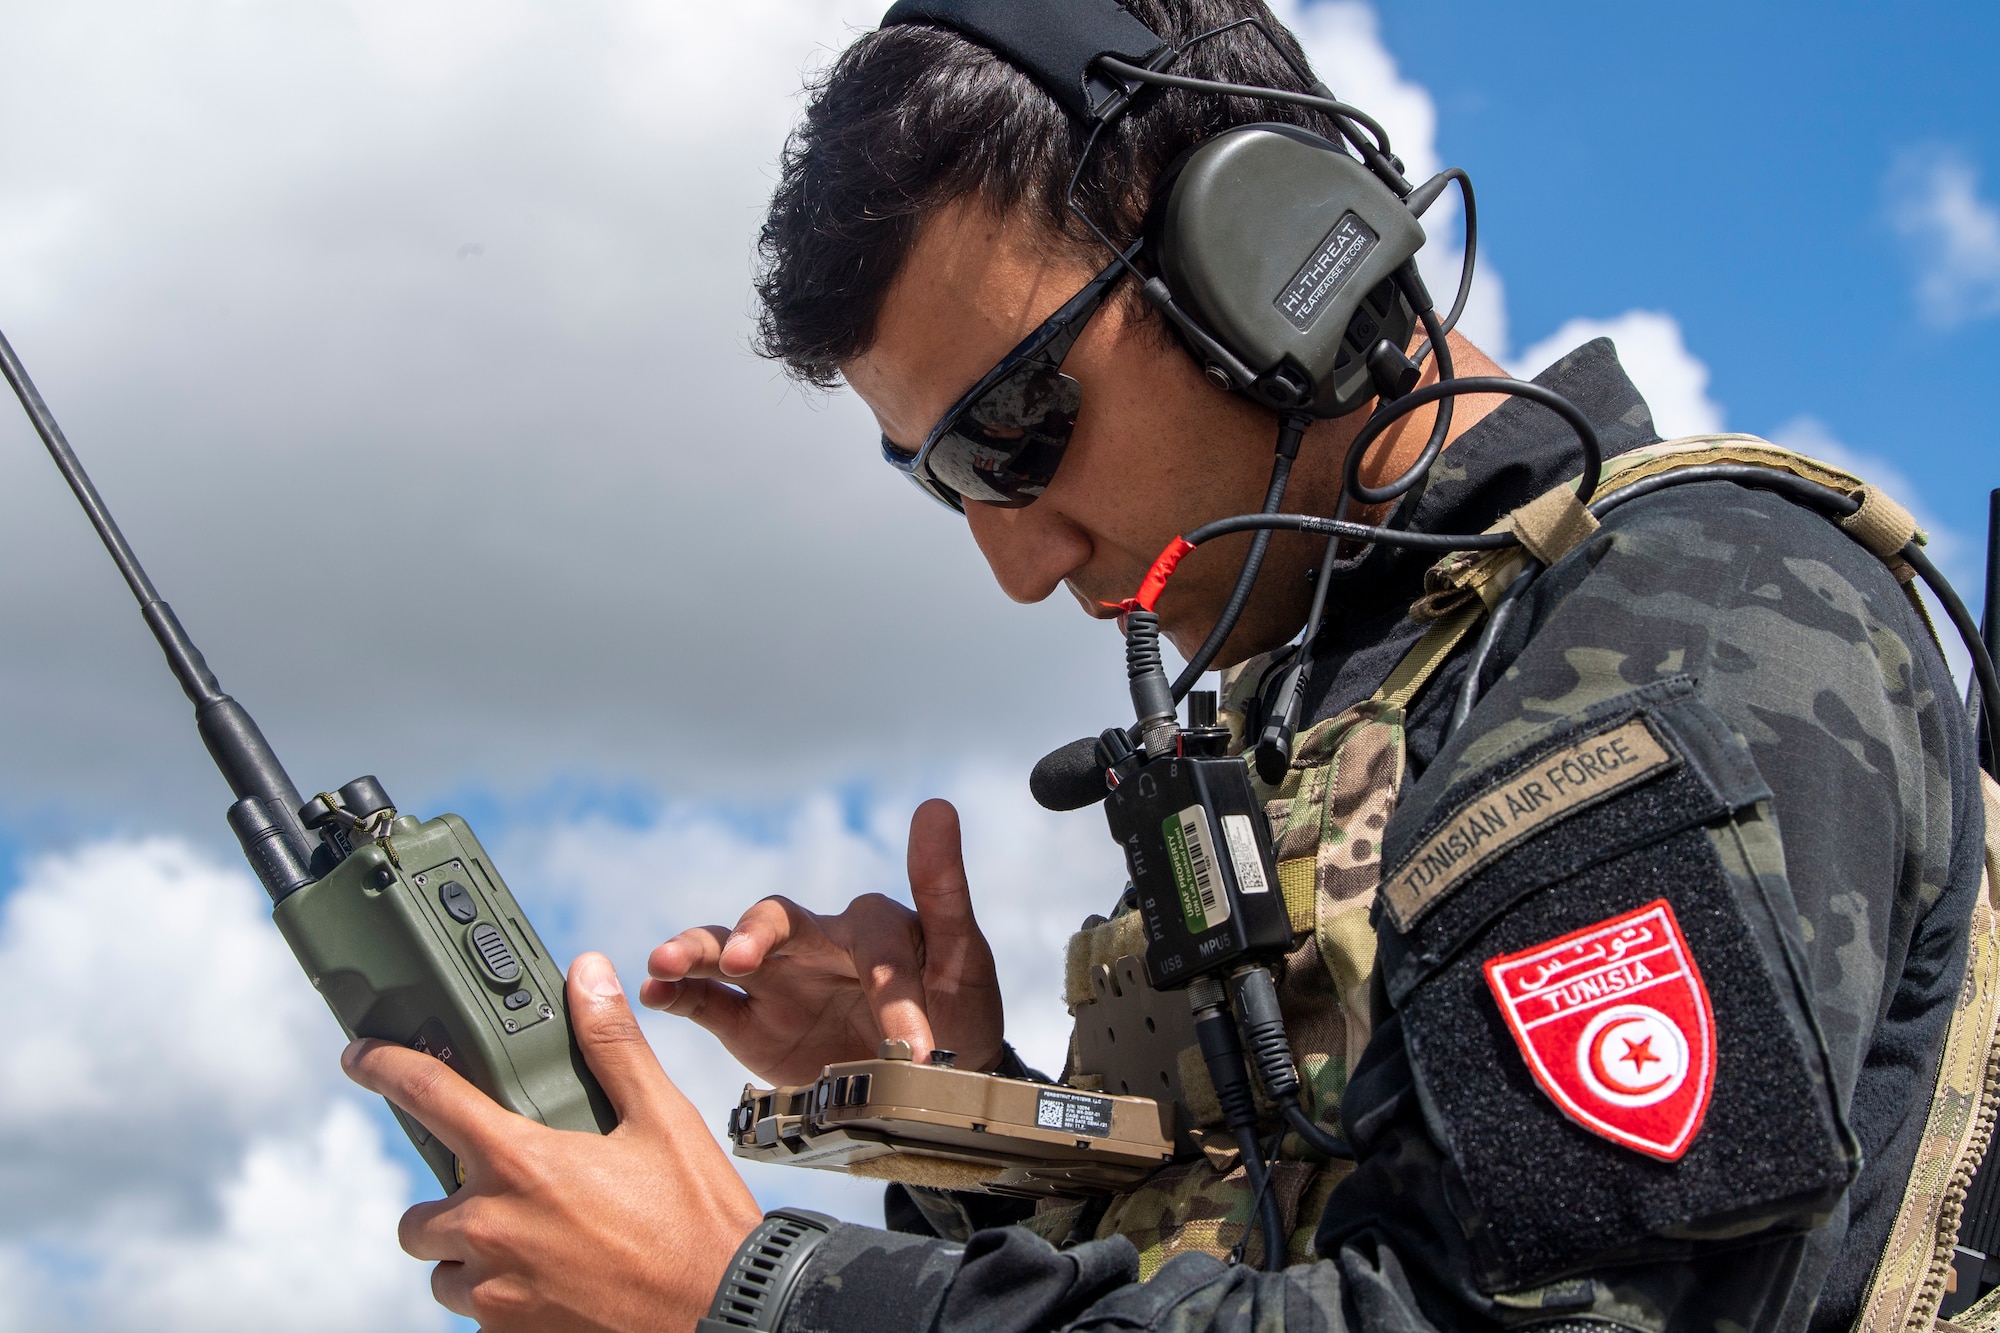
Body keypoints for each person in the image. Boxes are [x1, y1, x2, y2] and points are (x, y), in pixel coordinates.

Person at [338, 2, 1991, 1330]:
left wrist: (753, 1294)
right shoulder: (1370, 685)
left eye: (1019, 430)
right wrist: (970, 1123)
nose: (1016, 554)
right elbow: (1274, 1269)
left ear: (1267, 251)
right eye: (952, 481)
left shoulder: (1680, 625)